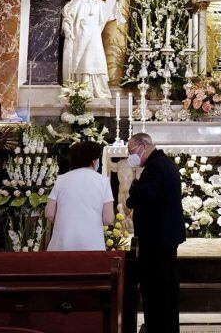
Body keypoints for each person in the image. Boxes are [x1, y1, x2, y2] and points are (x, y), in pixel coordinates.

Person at [125, 133, 184, 333]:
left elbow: (143, 196)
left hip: (158, 238)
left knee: (156, 287)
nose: (130, 156)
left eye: (131, 151)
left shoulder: (156, 166)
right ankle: (163, 326)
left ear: (144, 145)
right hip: (162, 235)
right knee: (164, 287)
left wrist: (133, 188)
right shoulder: (161, 162)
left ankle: (158, 327)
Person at [45, 141, 114, 251]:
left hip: (62, 243)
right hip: (91, 244)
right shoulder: (103, 181)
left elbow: (49, 213)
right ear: (94, 161)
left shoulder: (62, 179)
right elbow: (108, 219)